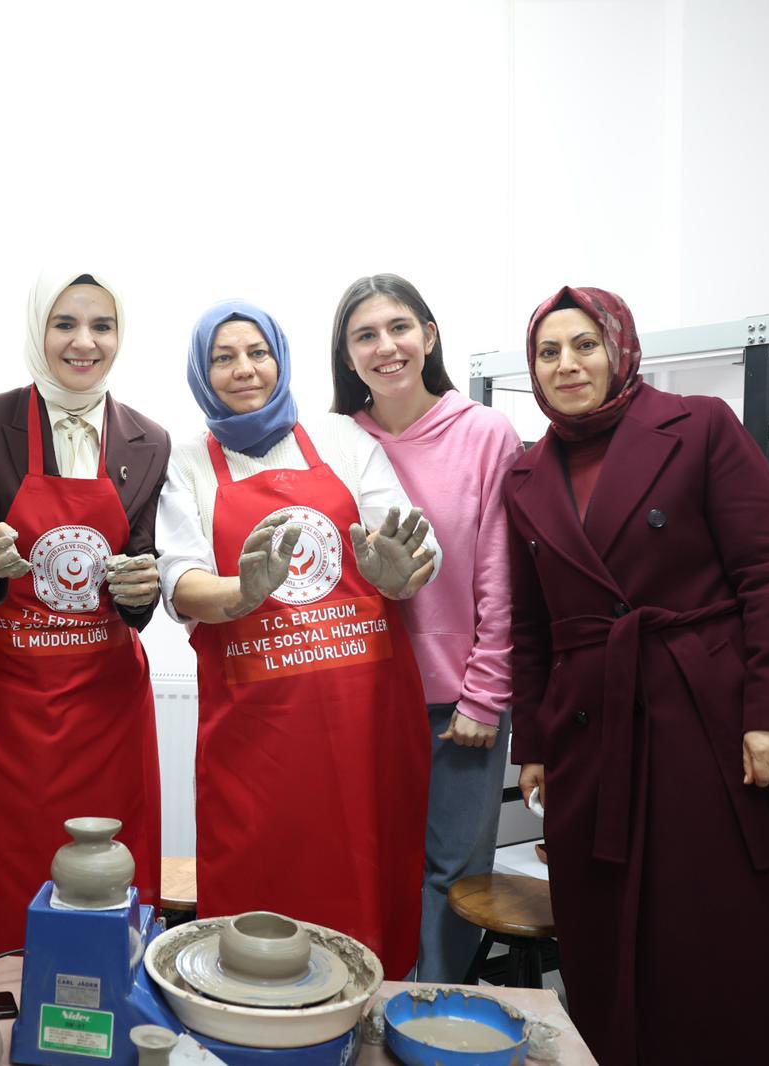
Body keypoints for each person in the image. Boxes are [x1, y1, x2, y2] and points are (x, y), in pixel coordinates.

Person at [506, 285, 769, 1064]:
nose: (567, 365)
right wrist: (533, 746)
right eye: (548, 352)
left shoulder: (699, 426)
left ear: (619, 348)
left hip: (708, 720)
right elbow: (530, 629)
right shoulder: (525, 475)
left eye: (585, 345)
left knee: (727, 933)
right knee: (608, 939)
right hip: (589, 735)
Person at [158, 299, 439, 981]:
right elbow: (180, 580)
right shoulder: (188, 462)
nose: (244, 369)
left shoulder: (341, 439)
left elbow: (409, 543)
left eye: (257, 353)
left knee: (370, 883)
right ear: (200, 372)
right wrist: (242, 593)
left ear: (280, 359)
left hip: (364, 717)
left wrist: (398, 573)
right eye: (223, 358)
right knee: (260, 892)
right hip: (257, 736)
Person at [0, 271, 169, 952]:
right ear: (38, 330)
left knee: (101, 882)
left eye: (102, 326)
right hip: (0, 705)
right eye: (65, 323)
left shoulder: (150, 440)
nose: (83, 342)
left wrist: (142, 587)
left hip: (104, 708)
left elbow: (144, 569)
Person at [331, 274, 523, 982]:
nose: (386, 347)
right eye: (365, 336)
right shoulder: (333, 441)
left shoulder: (485, 434)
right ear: (347, 356)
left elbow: (501, 575)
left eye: (399, 328)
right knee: (362, 864)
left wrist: (485, 697)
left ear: (429, 336)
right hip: (360, 697)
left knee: (452, 875)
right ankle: (360, 1009)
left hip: (456, 704)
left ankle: (429, 1017)